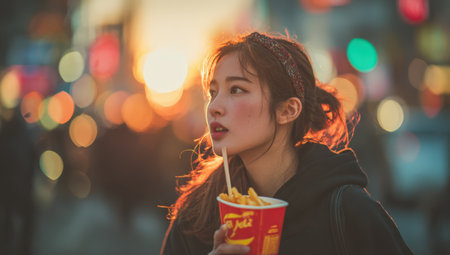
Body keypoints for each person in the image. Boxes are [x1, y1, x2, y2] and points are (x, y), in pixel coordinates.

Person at [160, 32, 413, 254]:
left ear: (288, 110)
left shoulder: (347, 212)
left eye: (236, 90)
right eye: (212, 93)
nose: (214, 107)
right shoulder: (197, 216)